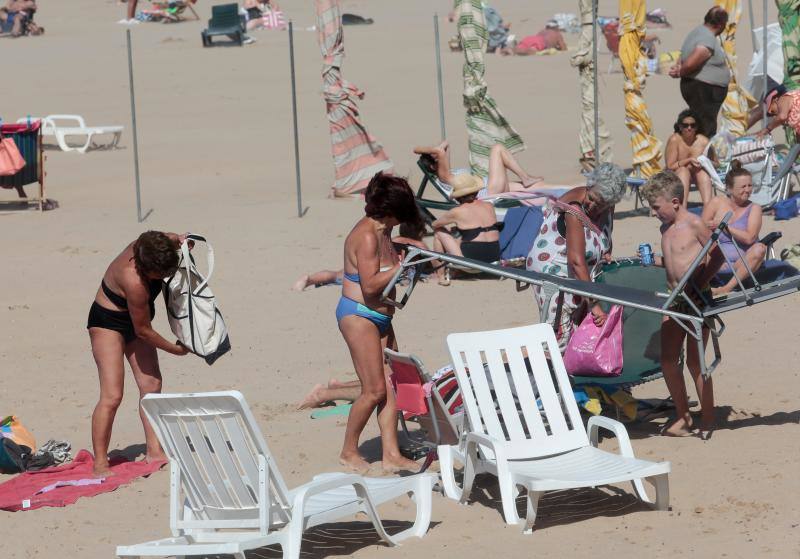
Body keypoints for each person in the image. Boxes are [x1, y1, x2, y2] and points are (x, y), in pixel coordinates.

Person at [336, 172, 422, 473]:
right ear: (389, 209)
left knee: (392, 385)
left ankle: (391, 454)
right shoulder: (368, 236)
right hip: (359, 316)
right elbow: (371, 286)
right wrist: (402, 267)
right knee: (373, 390)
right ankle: (348, 450)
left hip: (381, 316)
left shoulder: (384, 230)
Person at [88, 231, 190, 476]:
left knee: (151, 384)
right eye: (161, 275)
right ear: (145, 267)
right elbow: (143, 330)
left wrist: (184, 243)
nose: (165, 277)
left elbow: (171, 238)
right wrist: (175, 349)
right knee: (112, 396)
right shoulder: (133, 282)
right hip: (108, 323)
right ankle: (100, 462)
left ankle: (154, 450)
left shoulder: (156, 244)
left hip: (136, 321)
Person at [640, 171, 724, 439]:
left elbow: (717, 255)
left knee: (695, 362)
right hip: (674, 297)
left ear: (675, 202)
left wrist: (699, 282)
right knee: (667, 360)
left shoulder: (695, 224)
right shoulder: (665, 229)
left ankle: (708, 418)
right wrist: (654, 261)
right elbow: (674, 261)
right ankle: (684, 415)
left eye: (656, 207)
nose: (654, 213)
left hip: (697, 297)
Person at [526, 163, 627, 350]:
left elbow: (605, 235)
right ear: (589, 186)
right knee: (558, 331)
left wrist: (605, 252)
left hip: (578, 270)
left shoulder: (607, 204)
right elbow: (576, 261)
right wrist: (593, 303)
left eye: (602, 203)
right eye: (593, 198)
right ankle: (550, 372)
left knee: (578, 328)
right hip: (553, 267)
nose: (595, 206)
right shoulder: (574, 210)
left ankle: (566, 372)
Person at [292, 222, 429, 291]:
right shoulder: (418, 244)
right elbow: (432, 261)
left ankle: (309, 279)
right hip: (386, 271)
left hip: (368, 264)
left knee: (336, 274)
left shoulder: (395, 239)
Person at [701, 160, 766, 295]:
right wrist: (718, 259)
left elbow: (750, 238)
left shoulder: (754, 208)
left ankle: (727, 288)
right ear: (729, 188)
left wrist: (726, 227)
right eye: (743, 186)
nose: (747, 190)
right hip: (714, 261)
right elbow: (701, 232)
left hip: (741, 263)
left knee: (760, 249)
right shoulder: (716, 203)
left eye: (749, 185)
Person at [414, 141, 566, 198]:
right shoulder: (443, 176)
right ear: (434, 166)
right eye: (435, 157)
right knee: (497, 149)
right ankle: (525, 177)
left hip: (490, 185)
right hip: (489, 191)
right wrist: (434, 151)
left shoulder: (446, 171)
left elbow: (445, 145)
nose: (438, 155)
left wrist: (434, 151)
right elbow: (439, 151)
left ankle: (570, 191)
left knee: (537, 187)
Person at [669, 7, 730, 137]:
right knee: (705, 126)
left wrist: (680, 67)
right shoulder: (707, 38)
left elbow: (684, 56)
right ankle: (702, 155)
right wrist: (681, 71)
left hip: (699, 87)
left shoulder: (696, 32)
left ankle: (697, 151)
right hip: (703, 89)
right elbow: (695, 59)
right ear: (720, 25)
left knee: (699, 121)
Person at [431, 174, 502, 285]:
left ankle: (440, 275)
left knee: (439, 232)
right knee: (468, 233)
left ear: (458, 196)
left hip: (471, 260)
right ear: (476, 191)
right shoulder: (489, 206)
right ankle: (456, 271)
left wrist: (453, 226)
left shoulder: (457, 211)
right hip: (493, 256)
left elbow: (435, 224)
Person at [665, 109, 714, 206]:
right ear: (679, 127)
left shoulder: (704, 141)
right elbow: (670, 166)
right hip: (676, 174)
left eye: (693, 125)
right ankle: (682, 207)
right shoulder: (675, 140)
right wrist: (689, 160)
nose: (689, 128)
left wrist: (704, 163)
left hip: (696, 173)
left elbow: (716, 163)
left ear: (697, 127)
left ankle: (708, 208)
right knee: (684, 171)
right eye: (685, 125)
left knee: (702, 172)